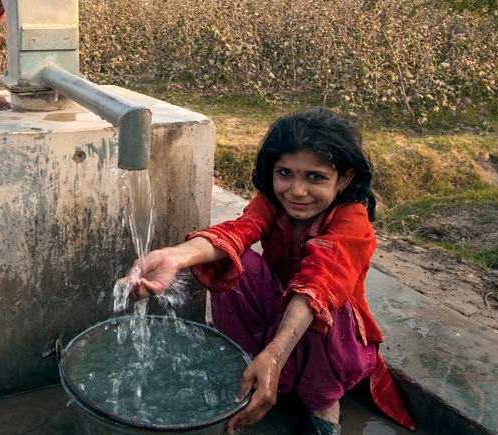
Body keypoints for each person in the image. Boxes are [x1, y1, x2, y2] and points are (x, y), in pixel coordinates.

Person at [123, 108, 416, 435]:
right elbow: (238, 231)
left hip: (329, 332)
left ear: (344, 178)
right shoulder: (271, 204)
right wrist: (175, 257)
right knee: (238, 264)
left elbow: (319, 283)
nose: (297, 191)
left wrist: (275, 354)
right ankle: (248, 367)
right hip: (281, 311)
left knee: (331, 307)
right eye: (285, 173)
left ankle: (323, 404)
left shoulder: (351, 221)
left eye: (315, 177)